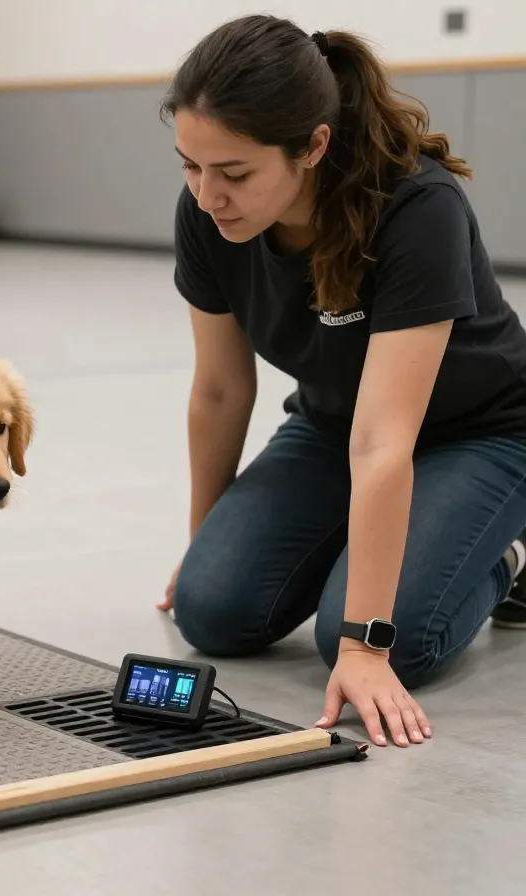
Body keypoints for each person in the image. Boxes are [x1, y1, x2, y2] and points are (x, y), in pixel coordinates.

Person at [156, 14, 526, 750]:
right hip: (333, 427)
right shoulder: (207, 216)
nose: (206, 195)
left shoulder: (417, 208)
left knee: (388, 638)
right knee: (213, 613)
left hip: (481, 434)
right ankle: (387, 548)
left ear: (313, 146)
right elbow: (221, 391)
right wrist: (206, 544)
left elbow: (388, 437)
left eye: (232, 173)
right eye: (190, 166)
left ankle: (503, 556)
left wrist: (364, 645)